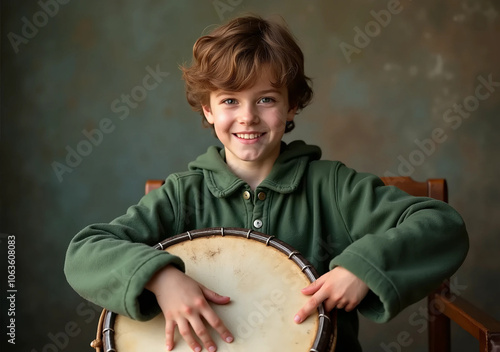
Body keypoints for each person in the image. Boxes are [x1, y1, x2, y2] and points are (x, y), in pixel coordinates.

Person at [64, 15, 469, 352]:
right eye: (229, 101)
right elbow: (85, 252)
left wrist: (362, 268)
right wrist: (161, 277)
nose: (248, 117)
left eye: (266, 99)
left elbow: (441, 226)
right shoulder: (182, 195)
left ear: (292, 104)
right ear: (207, 109)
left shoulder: (333, 186)